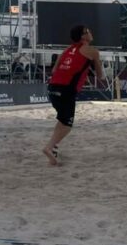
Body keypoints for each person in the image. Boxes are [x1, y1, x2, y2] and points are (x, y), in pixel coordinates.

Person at [43, 25, 105, 166]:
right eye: (88, 31)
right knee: (67, 125)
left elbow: (54, 70)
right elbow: (100, 76)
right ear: (83, 36)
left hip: (52, 88)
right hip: (67, 90)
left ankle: (54, 148)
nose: (90, 32)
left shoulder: (66, 50)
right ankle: (48, 147)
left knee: (62, 119)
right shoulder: (93, 52)